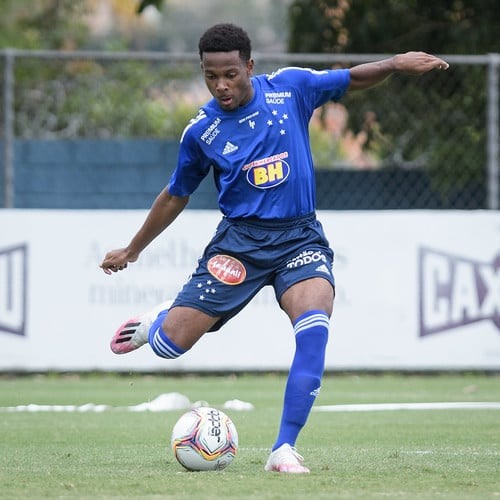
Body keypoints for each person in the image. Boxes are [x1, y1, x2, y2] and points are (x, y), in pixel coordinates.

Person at [100, 23, 448, 473]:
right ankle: (158, 321)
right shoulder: (202, 131)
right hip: (240, 244)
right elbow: (175, 195)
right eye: (211, 76)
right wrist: (132, 250)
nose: (221, 85)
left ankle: (283, 449)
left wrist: (395, 65)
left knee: (315, 324)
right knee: (171, 346)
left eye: (230, 73)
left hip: (300, 237)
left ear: (249, 65)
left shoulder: (291, 90)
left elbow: (350, 79)